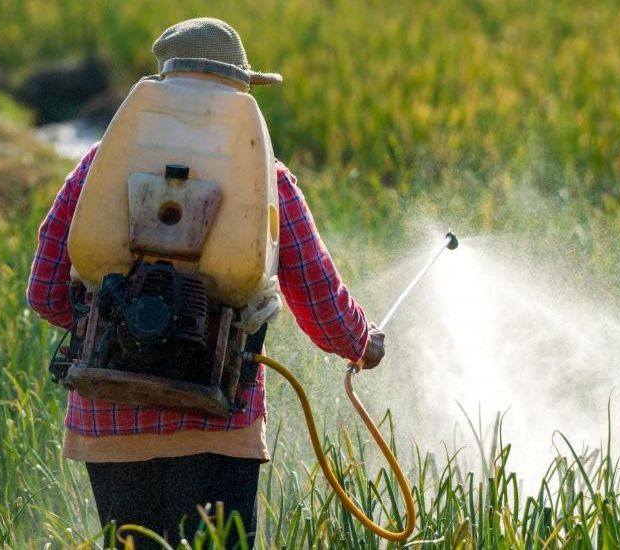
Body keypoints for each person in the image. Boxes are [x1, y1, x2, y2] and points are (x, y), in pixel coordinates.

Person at [26, 18, 385, 549]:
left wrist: (117, 317)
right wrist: (362, 344)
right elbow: (317, 295)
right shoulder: (268, 181)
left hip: (109, 423)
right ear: (239, 91)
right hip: (217, 419)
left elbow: (46, 293)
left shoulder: (96, 169)